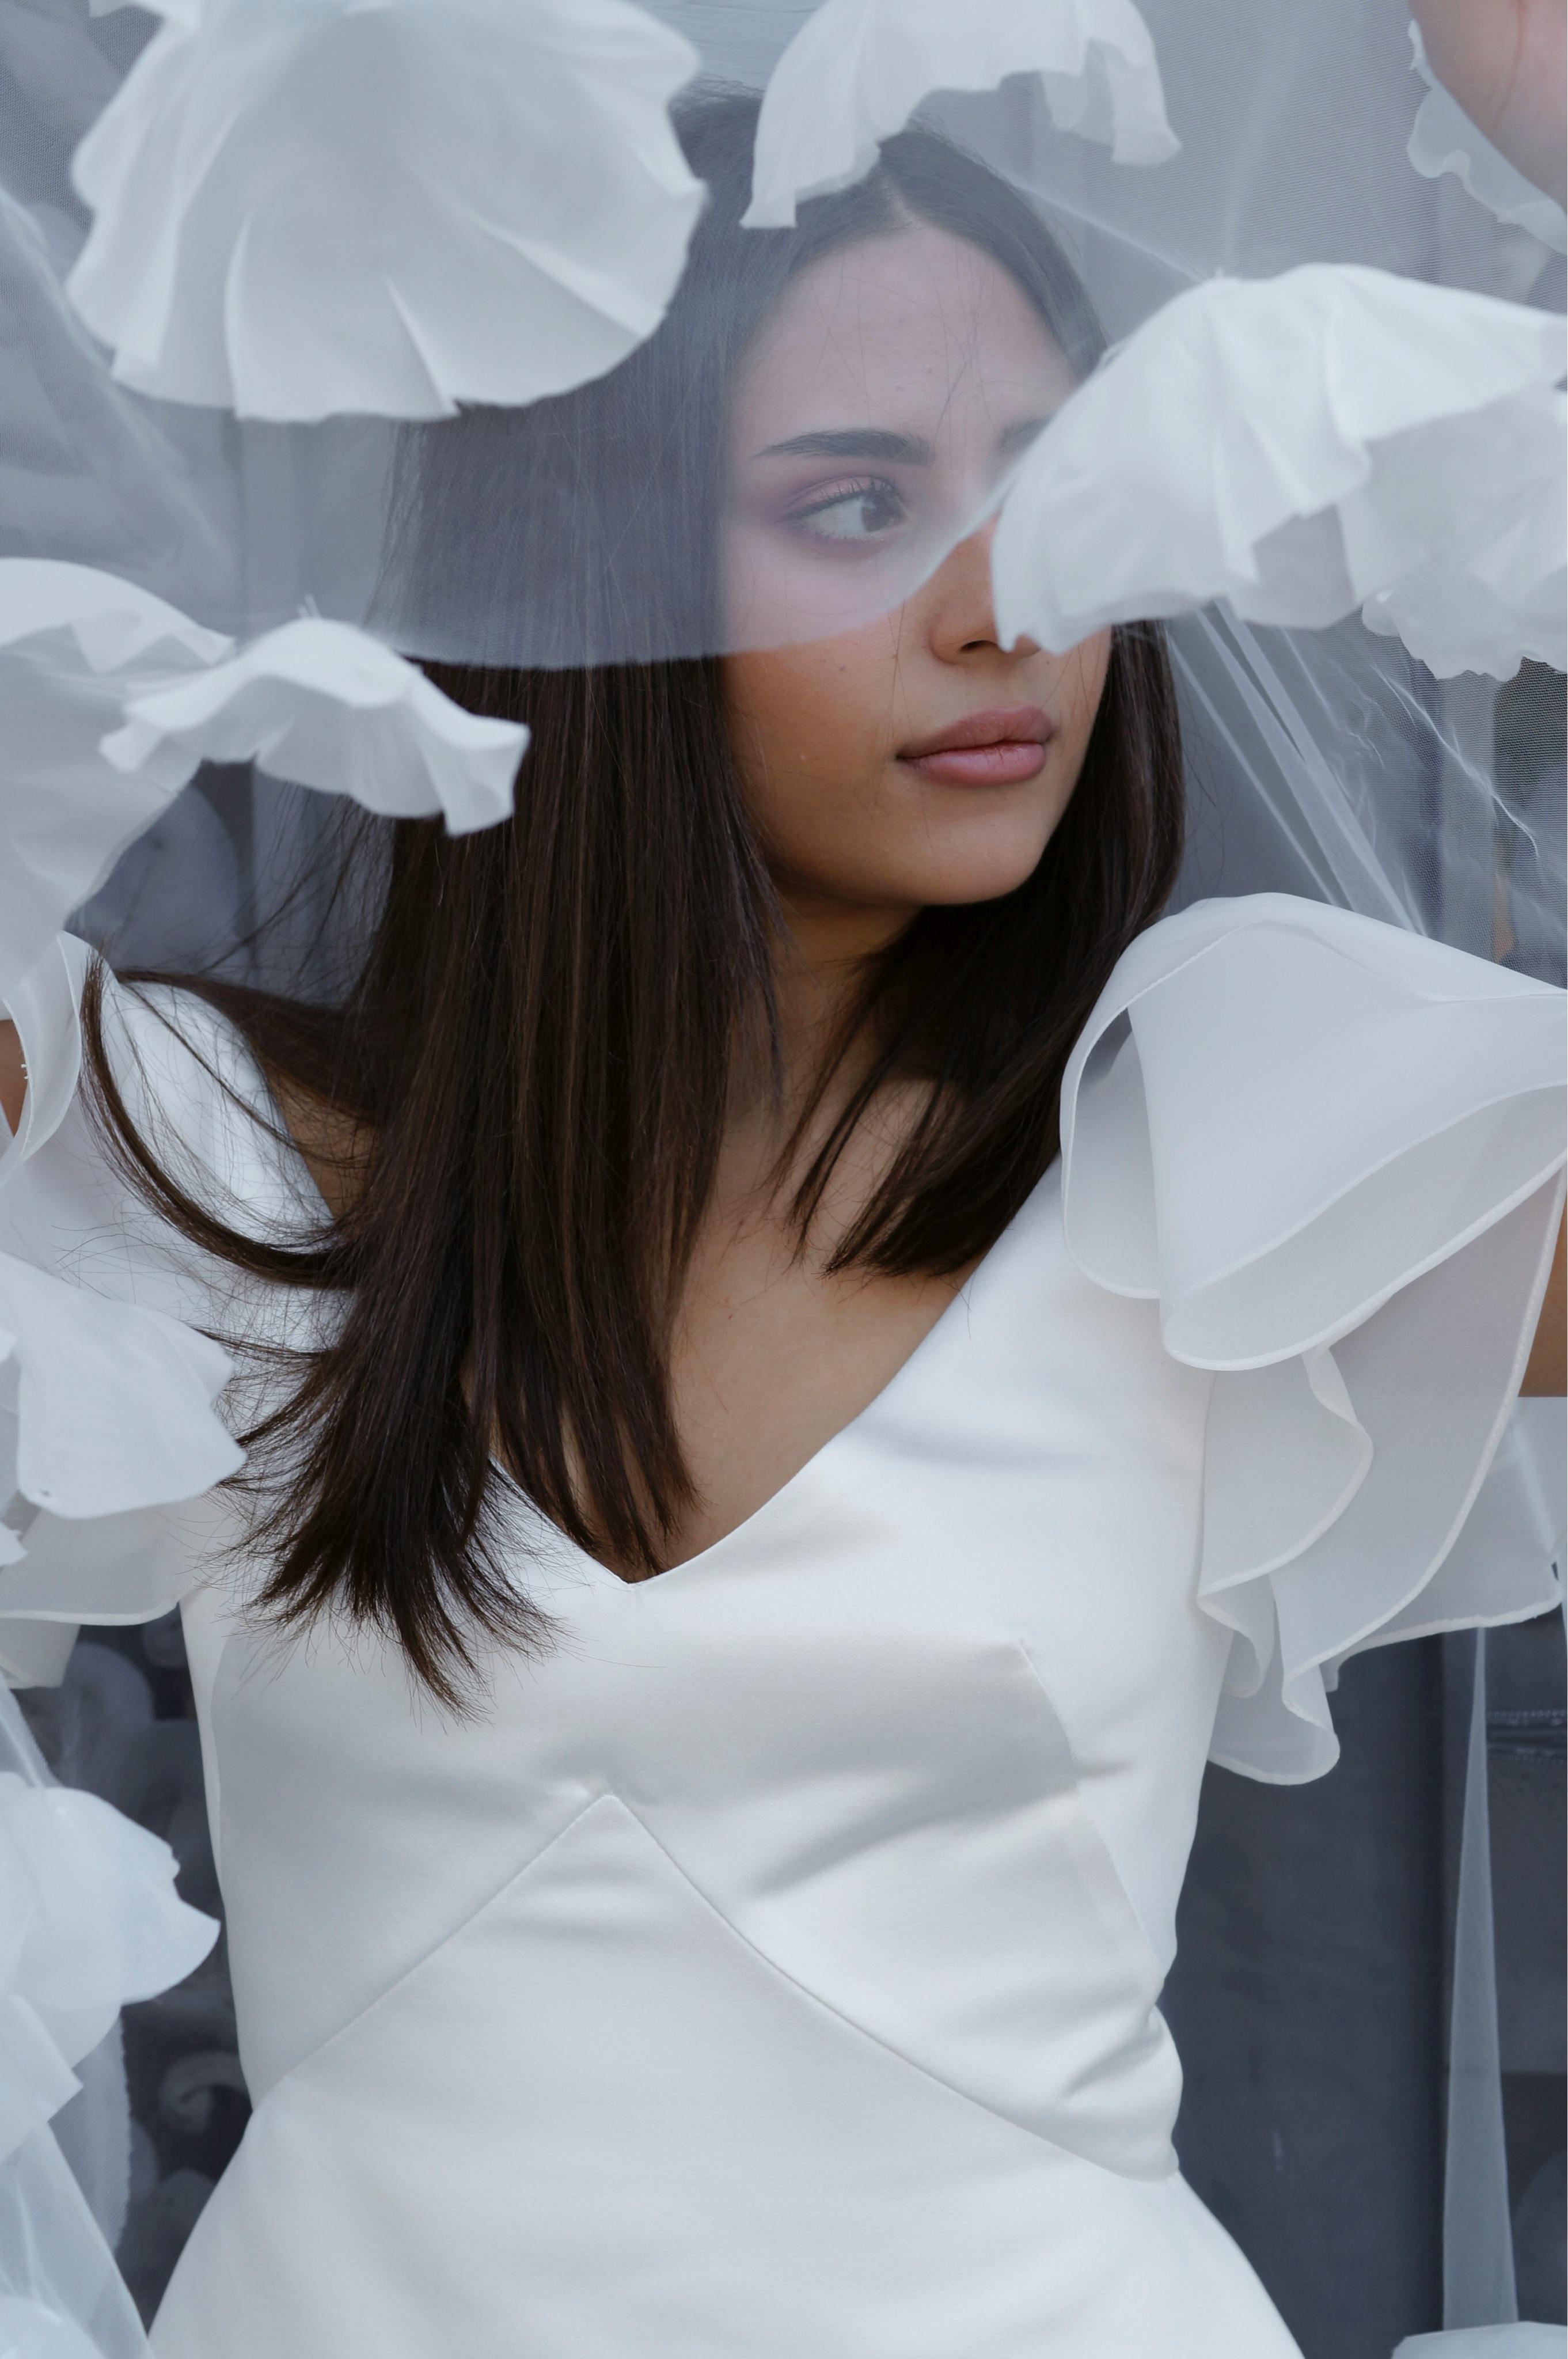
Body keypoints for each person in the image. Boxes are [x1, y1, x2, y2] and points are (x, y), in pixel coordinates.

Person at [0, 82, 1562, 2359]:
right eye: (857, 503)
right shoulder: (205, 1159)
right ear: (576, 568)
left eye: (1058, 481)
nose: (1008, 603)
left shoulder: (1221, 1150)